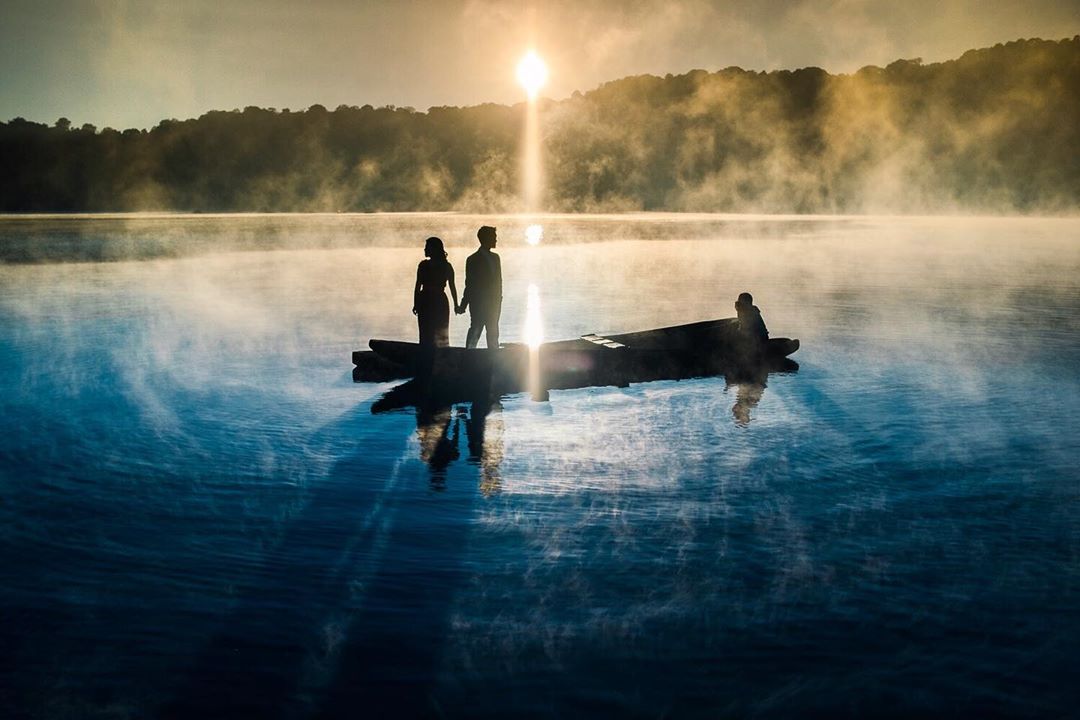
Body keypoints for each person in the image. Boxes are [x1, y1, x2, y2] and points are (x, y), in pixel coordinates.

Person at [457, 226, 502, 349]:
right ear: (485, 238)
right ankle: (469, 355)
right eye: (493, 237)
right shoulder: (473, 259)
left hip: (494, 303)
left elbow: (499, 282)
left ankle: (493, 358)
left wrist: (499, 300)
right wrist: (463, 305)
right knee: (476, 329)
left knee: (493, 333)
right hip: (478, 303)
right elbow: (470, 284)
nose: (496, 240)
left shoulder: (496, 258)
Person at [413, 236, 458, 347]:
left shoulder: (425, 266)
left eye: (427, 247)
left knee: (433, 332)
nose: (425, 250)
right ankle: (432, 356)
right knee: (430, 332)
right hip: (433, 300)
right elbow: (452, 288)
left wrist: (416, 303)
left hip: (430, 300)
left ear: (434, 249)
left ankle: (432, 356)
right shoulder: (445, 266)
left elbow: (418, 286)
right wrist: (416, 303)